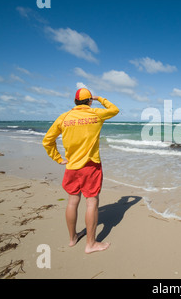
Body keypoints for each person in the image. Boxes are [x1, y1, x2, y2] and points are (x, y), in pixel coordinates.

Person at [42, 88, 119, 254]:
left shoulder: (64, 117)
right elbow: (114, 110)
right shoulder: (96, 113)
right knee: (91, 202)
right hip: (91, 166)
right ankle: (91, 244)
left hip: (71, 166)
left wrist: (58, 158)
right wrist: (100, 98)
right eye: (91, 99)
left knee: (72, 201)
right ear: (89, 101)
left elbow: (47, 141)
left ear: (75, 101)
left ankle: (72, 238)